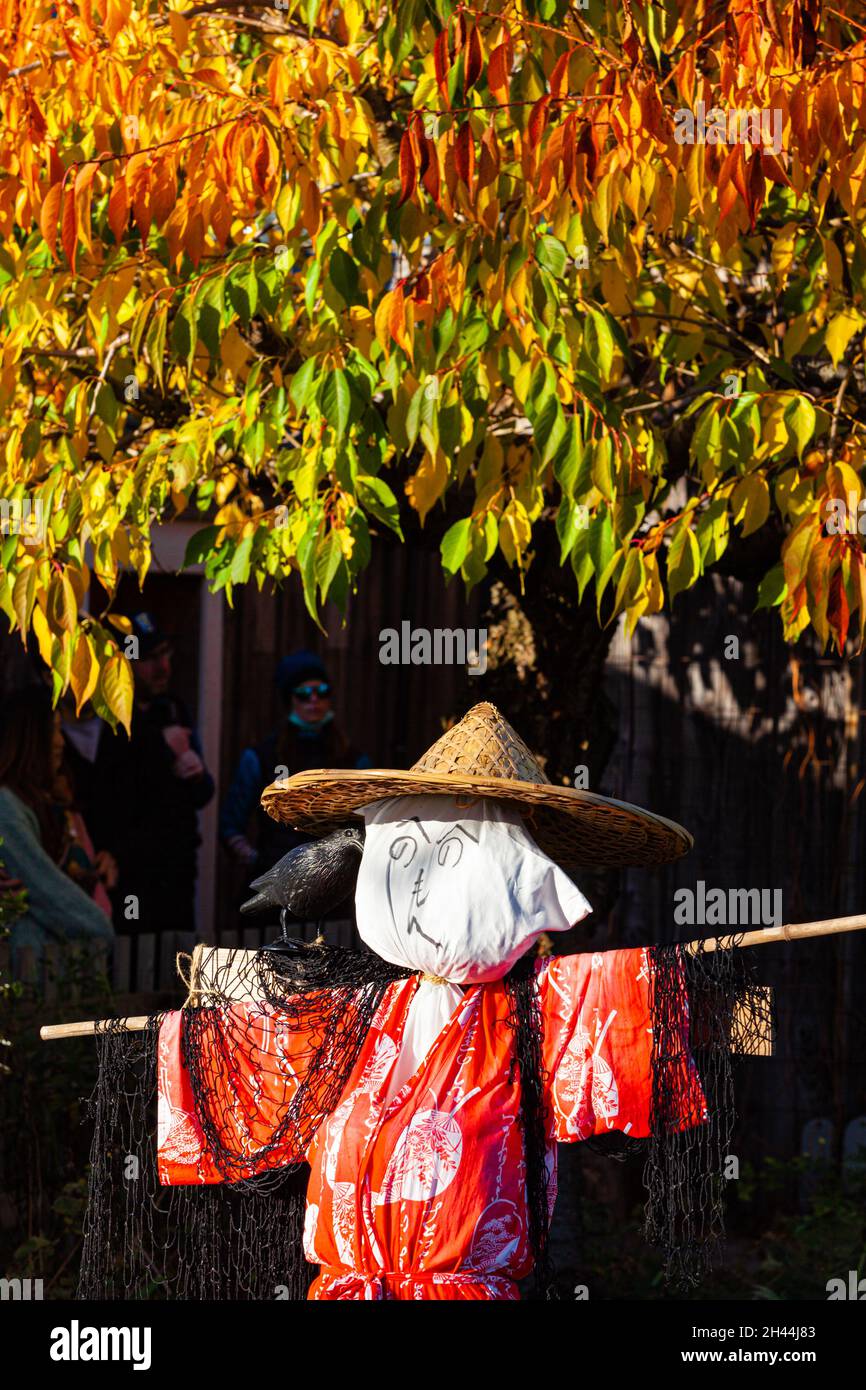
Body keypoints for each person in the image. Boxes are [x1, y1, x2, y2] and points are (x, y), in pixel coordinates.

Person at [87, 611, 214, 942]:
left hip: (176, 870)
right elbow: (107, 793)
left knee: (176, 962)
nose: (162, 668)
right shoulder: (110, 720)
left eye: (165, 655)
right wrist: (159, 748)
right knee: (131, 958)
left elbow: (202, 793)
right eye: (149, 658)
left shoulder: (172, 709)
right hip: (129, 874)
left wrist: (196, 775)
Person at [219, 649, 370, 876]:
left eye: (322, 691)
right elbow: (230, 824)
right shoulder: (262, 757)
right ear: (290, 699)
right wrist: (258, 862)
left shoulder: (352, 759)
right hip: (276, 880)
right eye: (303, 693)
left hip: (333, 881)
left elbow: (370, 820)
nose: (314, 700)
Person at [0, 686, 114, 979]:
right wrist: (98, 926)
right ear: (30, 739)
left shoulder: (45, 808)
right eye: (53, 731)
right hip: (26, 979)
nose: (60, 743)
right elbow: (41, 887)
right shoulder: (6, 807)